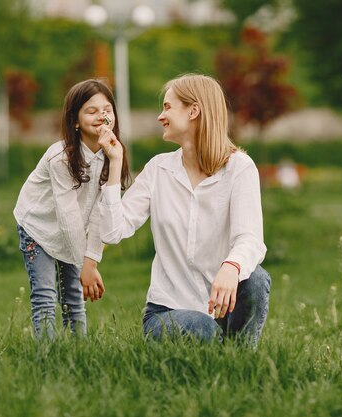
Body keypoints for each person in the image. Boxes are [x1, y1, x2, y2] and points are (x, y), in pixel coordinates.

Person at [97, 74, 270, 348]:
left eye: (167, 107)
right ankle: (219, 349)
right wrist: (115, 163)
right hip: (166, 312)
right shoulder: (158, 170)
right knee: (201, 328)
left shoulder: (240, 168)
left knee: (256, 279)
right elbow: (111, 231)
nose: (160, 116)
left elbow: (250, 239)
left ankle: (239, 362)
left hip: (223, 306)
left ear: (194, 110)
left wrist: (231, 266)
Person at [13, 79, 130, 339]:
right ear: (75, 121)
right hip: (38, 227)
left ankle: (77, 355)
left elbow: (103, 211)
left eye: (107, 109)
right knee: (45, 295)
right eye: (91, 110)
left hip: (75, 231)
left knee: (74, 297)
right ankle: (47, 357)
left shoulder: (112, 154)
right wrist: (83, 265)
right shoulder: (61, 158)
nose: (101, 115)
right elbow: (68, 218)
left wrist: (91, 263)